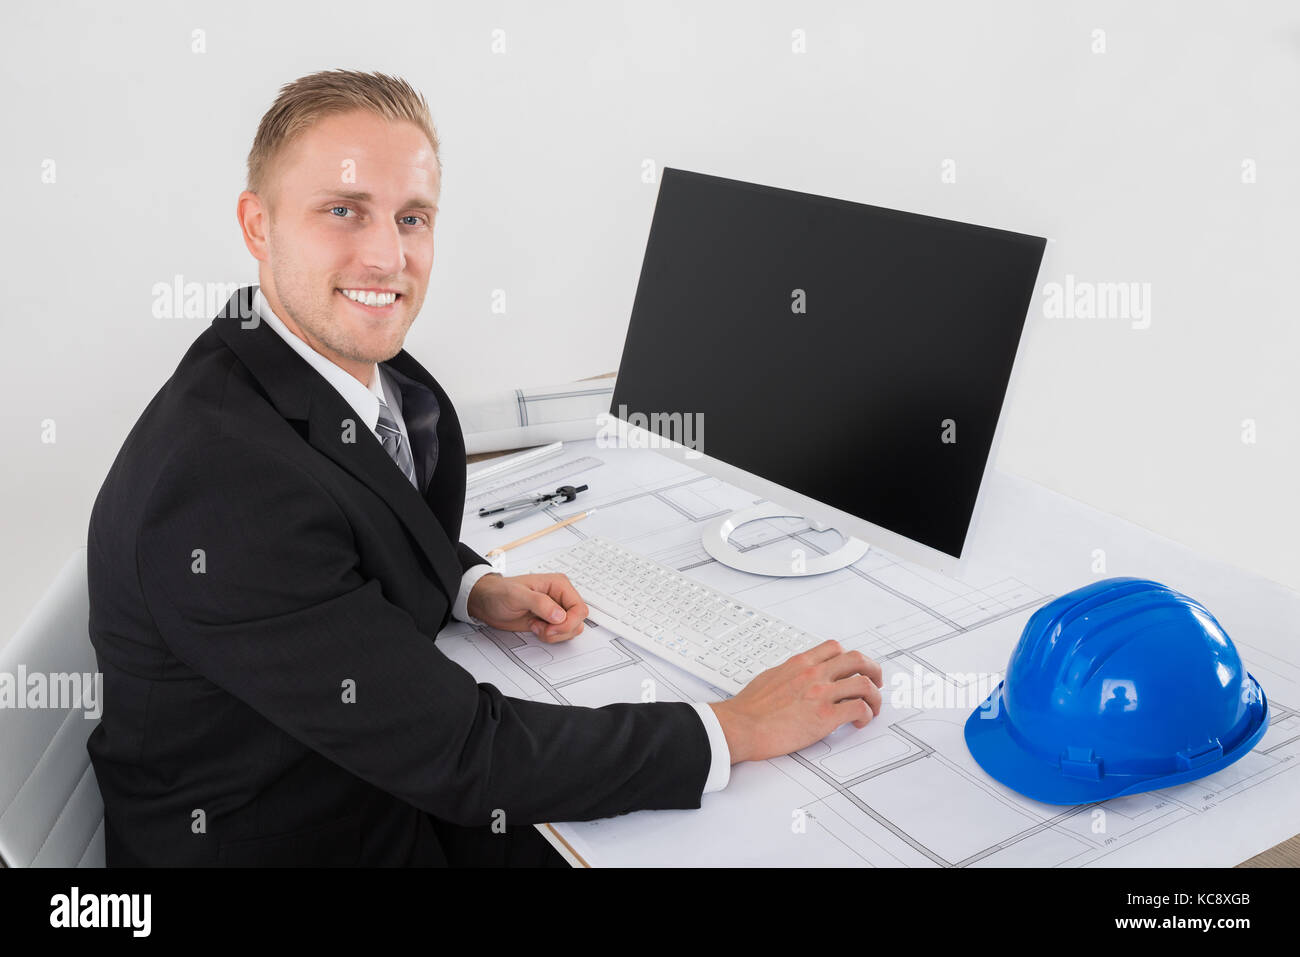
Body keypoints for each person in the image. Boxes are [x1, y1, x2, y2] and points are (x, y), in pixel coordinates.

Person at [85, 69, 884, 867]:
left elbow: (354, 519)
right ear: (258, 226)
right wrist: (733, 727)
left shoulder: (308, 358)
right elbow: (470, 758)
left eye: (412, 217)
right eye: (342, 211)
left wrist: (470, 588)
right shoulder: (223, 486)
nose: (387, 256)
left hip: (362, 777)